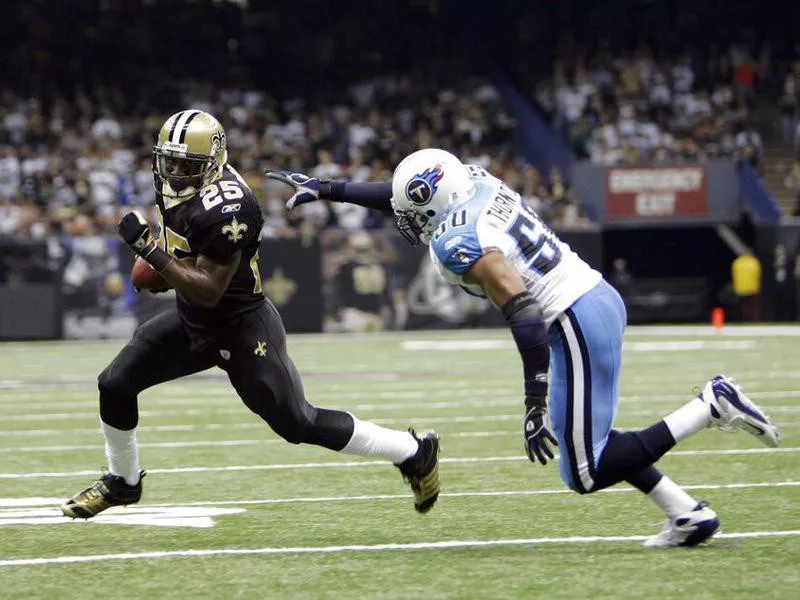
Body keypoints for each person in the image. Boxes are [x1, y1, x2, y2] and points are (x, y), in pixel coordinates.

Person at [268, 148, 780, 548]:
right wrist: (331, 189)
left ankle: (710, 405)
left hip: (570, 316)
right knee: (589, 440)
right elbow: (409, 195)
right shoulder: (476, 180)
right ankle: (687, 514)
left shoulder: (457, 239)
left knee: (584, 470)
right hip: (589, 297)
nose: (404, 218)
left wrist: (533, 403)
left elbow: (525, 317)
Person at [60, 111, 440, 519]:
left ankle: (413, 452)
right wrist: (164, 263)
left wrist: (150, 251)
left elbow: (209, 290)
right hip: (194, 319)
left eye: (186, 165)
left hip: (241, 325)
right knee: (115, 384)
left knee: (298, 423)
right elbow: (189, 256)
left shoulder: (231, 205)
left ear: (213, 163)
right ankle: (123, 482)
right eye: (168, 161)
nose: (174, 172)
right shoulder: (178, 187)